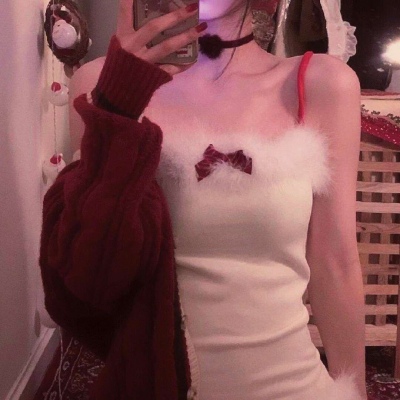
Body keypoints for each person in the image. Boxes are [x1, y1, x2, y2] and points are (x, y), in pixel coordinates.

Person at [40, 0, 367, 399]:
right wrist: (118, 104)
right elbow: (83, 279)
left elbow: (336, 263)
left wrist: (356, 393)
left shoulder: (321, 82)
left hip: (296, 387)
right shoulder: (98, 81)